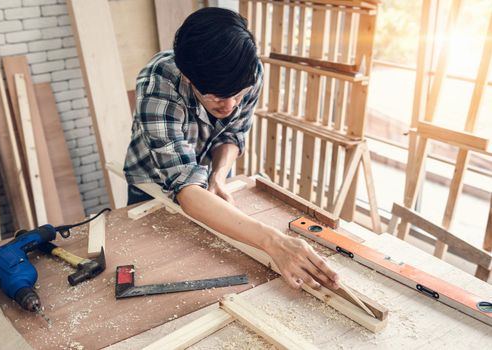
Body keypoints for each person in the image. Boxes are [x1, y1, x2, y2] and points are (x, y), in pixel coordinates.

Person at [124, 7, 339, 290]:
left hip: (203, 182)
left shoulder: (248, 73)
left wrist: (218, 175)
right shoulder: (158, 86)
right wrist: (273, 240)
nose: (230, 106)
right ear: (189, 78)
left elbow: (233, 134)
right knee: (154, 265)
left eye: (238, 95)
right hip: (151, 186)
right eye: (216, 98)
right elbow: (186, 189)